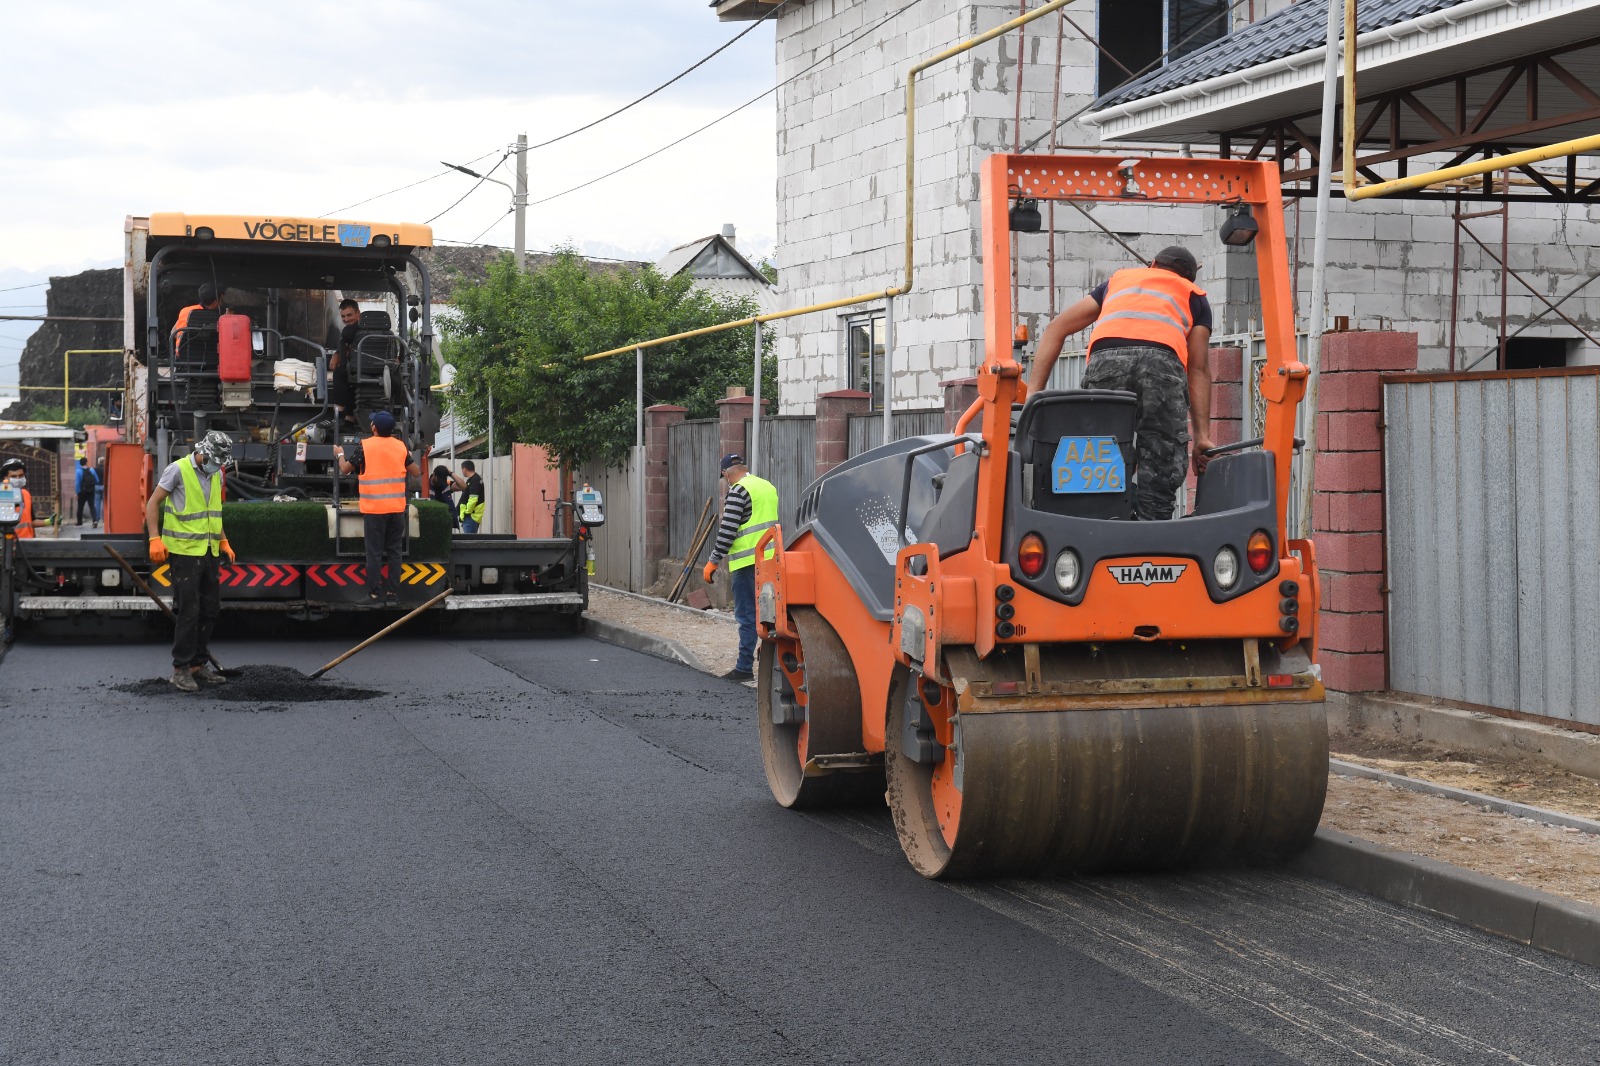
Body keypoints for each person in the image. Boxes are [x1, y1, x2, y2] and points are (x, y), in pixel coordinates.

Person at [1026, 245, 1214, 521]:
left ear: (1152, 264)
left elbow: (1056, 328)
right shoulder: (1194, 296)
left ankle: (1098, 523)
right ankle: (1153, 533)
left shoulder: (1117, 283)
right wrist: (1202, 438)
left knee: (1099, 448)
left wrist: (1033, 395)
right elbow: (1198, 369)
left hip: (1106, 362)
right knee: (1160, 456)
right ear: (1188, 278)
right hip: (1161, 365)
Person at [146, 431, 235, 693]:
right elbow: (153, 503)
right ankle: (180, 669)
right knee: (189, 610)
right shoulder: (178, 470)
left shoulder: (216, 473)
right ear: (204, 453)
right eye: (215, 459)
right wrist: (154, 538)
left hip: (208, 552)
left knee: (210, 609)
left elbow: (212, 514)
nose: (218, 465)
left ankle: (198, 664)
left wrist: (224, 541)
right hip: (184, 553)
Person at [701, 454, 778, 683]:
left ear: (726, 473)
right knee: (769, 615)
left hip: (747, 564)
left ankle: (744, 668)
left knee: (747, 616)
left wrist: (713, 561)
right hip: (771, 560)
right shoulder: (767, 487)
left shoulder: (738, 490)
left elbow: (728, 531)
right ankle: (772, 669)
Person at [334, 410, 420, 604]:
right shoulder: (400, 447)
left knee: (374, 554)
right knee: (395, 553)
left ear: (374, 428)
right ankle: (392, 595)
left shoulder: (365, 446)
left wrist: (339, 454)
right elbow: (415, 472)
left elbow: (345, 469)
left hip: (374, 511)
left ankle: (374, 595)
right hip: (397, 510)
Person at [330, 298, 360, 428]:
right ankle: (349, 419)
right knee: (348, 378)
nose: (346, 319)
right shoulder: (359, 328)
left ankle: (340, 413)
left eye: (349, 315)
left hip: (365, 367)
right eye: (343, 316)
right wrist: (337, 354)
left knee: (339, 373)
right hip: (360, 367)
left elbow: (346, 335)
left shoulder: (352, 330)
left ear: (358, 313)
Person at [172, 282, 220, 358]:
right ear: (215, 303)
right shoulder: (215, 317)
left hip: (183, 359)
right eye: (221, 300)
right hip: (209, 359)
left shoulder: (184, 311)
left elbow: (173, 333)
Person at [0, 458, 33, 539]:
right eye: (14, 476)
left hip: (27, 543)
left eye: (21, 475)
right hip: (6, 543)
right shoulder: (2, 495)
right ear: (6, 477)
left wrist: (48, 522)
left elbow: (31, 521)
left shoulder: (26, 494)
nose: (18, 479)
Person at [452, 460, 485, 534]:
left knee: (469, 542)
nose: (462, 471)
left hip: (470, 517)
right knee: (469, 541)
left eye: (462, 469)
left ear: (464, 469)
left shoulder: (475, 480)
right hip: (470, 517)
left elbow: (473, 499)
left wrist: (466, 513)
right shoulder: (473, 480)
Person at [428, 465, 459, 529]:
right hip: (432, 523)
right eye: (439, 479)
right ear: (434, 475)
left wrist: (450, 473)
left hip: (446, 522)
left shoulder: (445, 484)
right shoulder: (426, 485)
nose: (440, 482)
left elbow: (463, 486)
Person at [75, 457, 100, 526]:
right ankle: (95, 520)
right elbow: (97, 480)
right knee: (92, 506)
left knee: (80, 507)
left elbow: (77, 483)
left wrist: (77, 493)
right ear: (86, 462)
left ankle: (79, 522)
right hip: (91, 491)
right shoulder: (91, 470)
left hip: (82, 492)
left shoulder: (78, 471)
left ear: (80, 463)